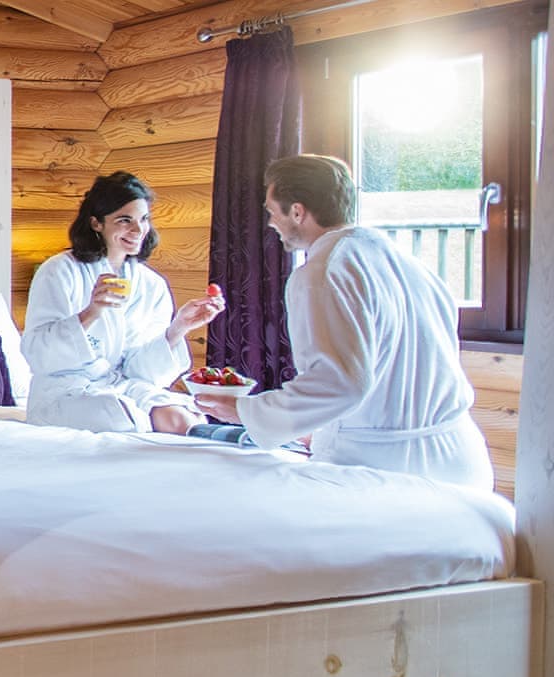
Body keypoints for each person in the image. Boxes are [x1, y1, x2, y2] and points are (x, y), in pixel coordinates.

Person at [193, 154, 493, 490]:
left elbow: (339, 382)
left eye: (271, 211)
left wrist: (247, 413)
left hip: (387, 468)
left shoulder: (322, 273)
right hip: (462, 462)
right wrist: (321, 428)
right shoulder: (410, 265)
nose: (270, 223)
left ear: (297, 211)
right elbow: (390, 373)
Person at [21, 172, 224, 433]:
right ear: (96, 223)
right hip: (64, 389)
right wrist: (91, 313)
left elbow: (142, 371)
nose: (138, 230)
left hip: (122, 384)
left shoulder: (151, 284)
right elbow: (38, 354)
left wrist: (179, 328)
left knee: (183, 419)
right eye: (124, 220)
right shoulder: (59, 270)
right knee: (119, 417)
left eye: (143, 219)